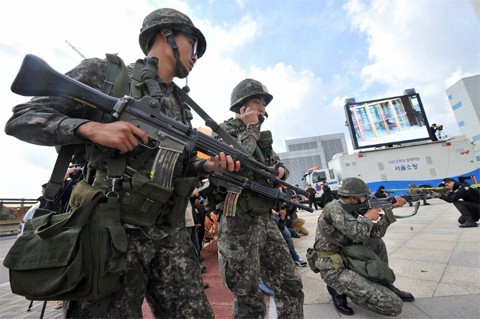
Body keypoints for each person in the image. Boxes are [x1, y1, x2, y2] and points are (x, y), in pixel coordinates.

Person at [5, 8, 240, 318]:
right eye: (194, 44)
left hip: (168, 235)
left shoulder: (180, 106)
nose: (197, 56)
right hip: (110, 234)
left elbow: (175, 167)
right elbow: (22, 119)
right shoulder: (105, 75)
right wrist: (91, 129)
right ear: (164, 35)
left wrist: (206, 168)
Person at [215, 79, 304, 318]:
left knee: (290, 285)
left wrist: (281, 171)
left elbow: (278, 162)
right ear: (242, 106)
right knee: (248, 297)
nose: (263, 107)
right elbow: (236, 161)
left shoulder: (262, 138)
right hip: (238, 222)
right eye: (258, 102)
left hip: (265, 219)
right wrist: (251, 128)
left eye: (264, 103)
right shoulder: (224, 130)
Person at [314, 177, 414, 316]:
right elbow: (358, 235)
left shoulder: (355, 208)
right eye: (364, 196)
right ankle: (337, 291)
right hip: (333, 266)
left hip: (348, 255)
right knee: (394, 305)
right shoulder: (333, 208)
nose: (367, 198)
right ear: (354, 197)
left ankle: (383, 283)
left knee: (376, 243)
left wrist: (389, 210)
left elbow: (377, 232)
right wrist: (367, 217)